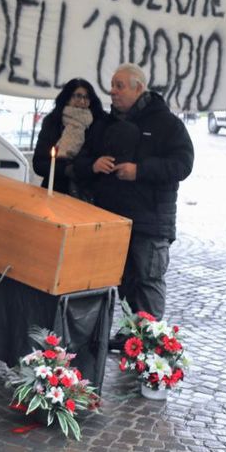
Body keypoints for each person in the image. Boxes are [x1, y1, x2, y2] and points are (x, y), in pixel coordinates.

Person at [73, 63, 194, 345]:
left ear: (138, 88)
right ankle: (130, 335)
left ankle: (148, 347)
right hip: (112, 220)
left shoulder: (168, 124)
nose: (112, 91)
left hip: (151, 220)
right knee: (124, 281)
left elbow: (183, 164)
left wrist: (140, 170)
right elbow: (81, 160)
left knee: (147, 281)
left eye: (119, 86)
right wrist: (93, 164)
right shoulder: (105, 124)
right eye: (112, 86)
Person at [31, 79, 106, 197]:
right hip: (55, 190)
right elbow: (39, 164)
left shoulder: (98, 124)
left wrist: (82, 168)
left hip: (86, 194)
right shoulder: (53, 122)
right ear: (67, 97)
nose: (82, 101)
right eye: (78, 96)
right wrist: (66, 170)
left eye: (87, 97)